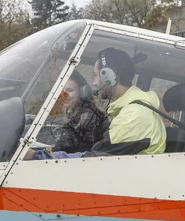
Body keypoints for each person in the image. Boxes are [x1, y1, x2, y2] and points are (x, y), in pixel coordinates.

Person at [27, 47, 166, 159]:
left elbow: (92, 159)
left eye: (95, 75)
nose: (93, 82)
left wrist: (37, 156)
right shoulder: (127, 109)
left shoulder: (134, 115)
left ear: (109, 77)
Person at [50, 70, 109, 153]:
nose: (63, 95)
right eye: (61, 90)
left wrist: (38, 154)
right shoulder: (75, 113)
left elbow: (68, 147)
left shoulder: (89, 118)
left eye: (69, 90)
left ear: (82, 92)